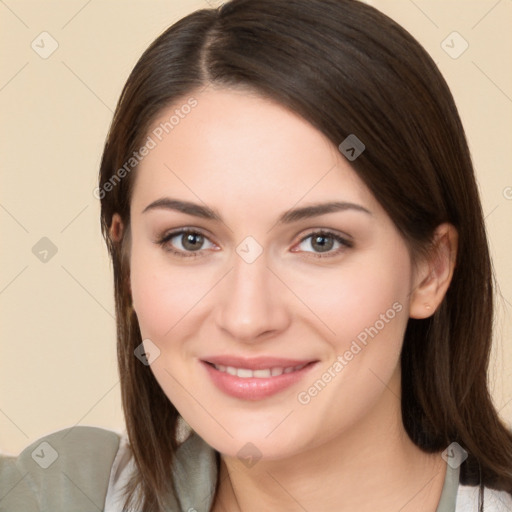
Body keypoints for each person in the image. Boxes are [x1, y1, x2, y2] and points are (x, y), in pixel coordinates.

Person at [1, 0, 511, 511]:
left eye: (320, 241)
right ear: (127, 257)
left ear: (431, 270)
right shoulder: (59, 493)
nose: (247, 318)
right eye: (190, 240)